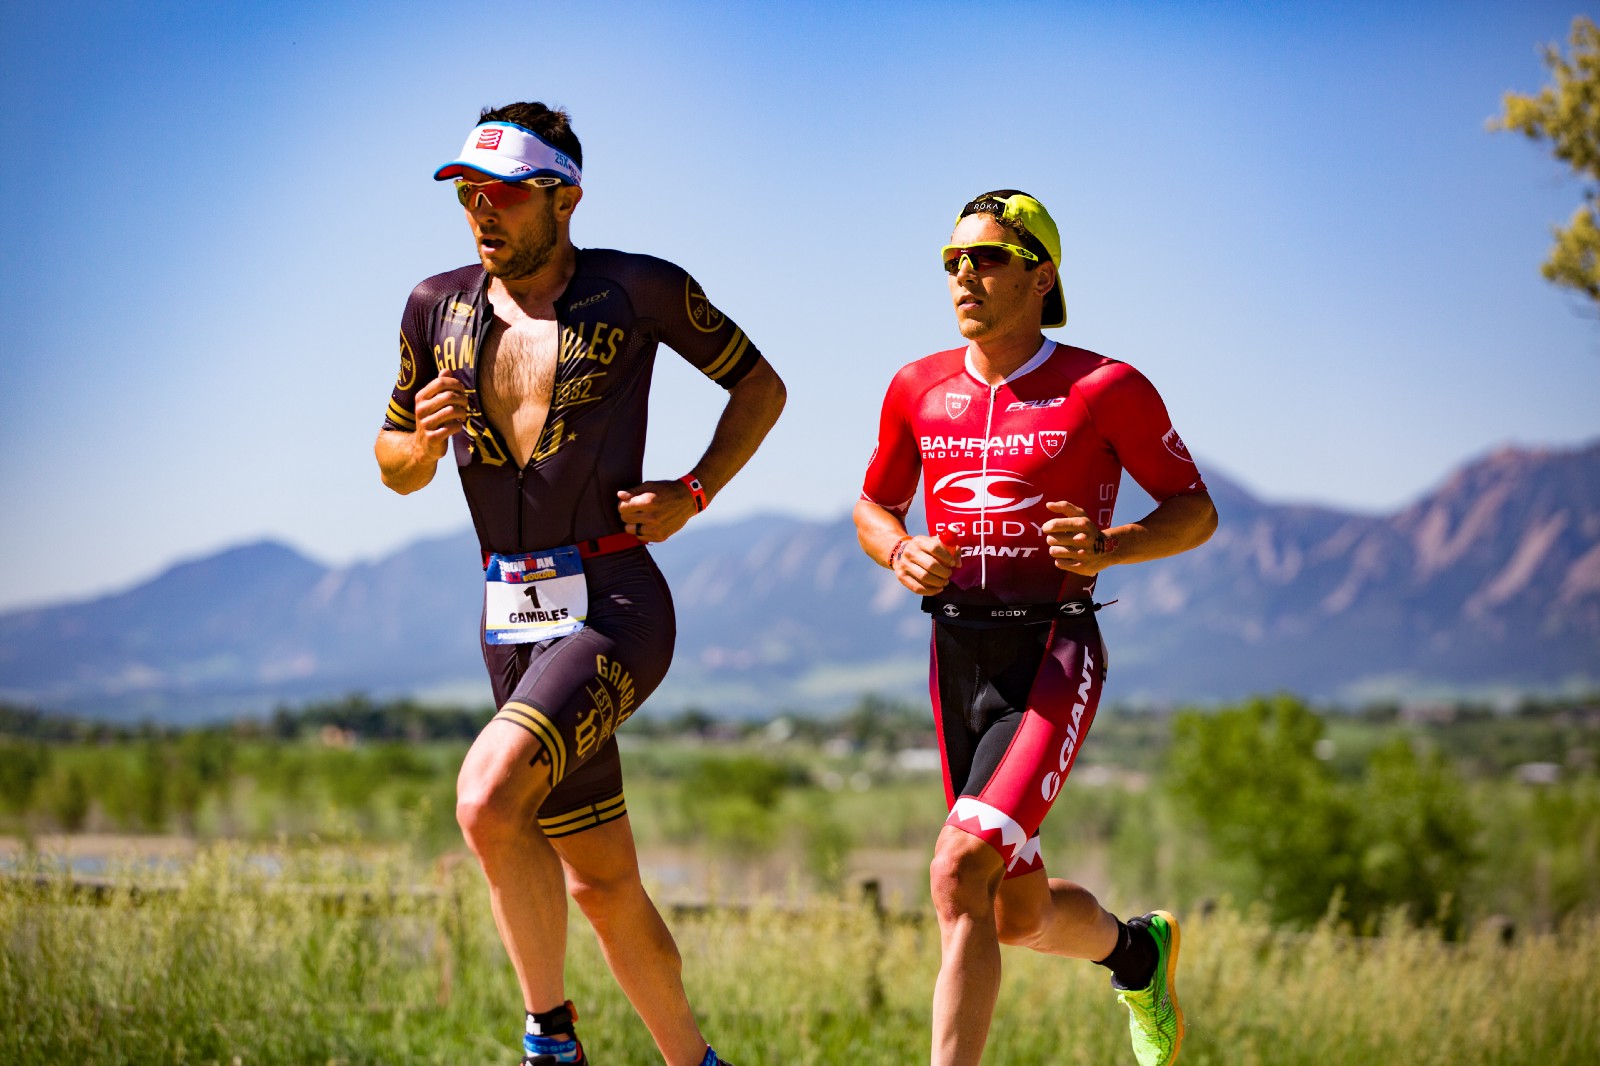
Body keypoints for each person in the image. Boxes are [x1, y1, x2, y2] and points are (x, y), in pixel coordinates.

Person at [375, 102, 784, 1066]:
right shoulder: (433, 307)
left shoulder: (637, 289)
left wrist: (694, 490)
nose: (484, 213)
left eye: (507, 196)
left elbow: (761, 386)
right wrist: (420, 443)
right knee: (601, 885)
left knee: (484, 799)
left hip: (615, 605)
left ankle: (549, 1043)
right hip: (509, 619)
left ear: (564, 199)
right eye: (470, 194)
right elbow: (391, 461)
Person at [853, 190, 1216, 1066]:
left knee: (955, 870)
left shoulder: (1105, 386)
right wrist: (898, 551)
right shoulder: (916, 387)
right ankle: (1138, 953)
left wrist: (1110, 544)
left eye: (985, 258)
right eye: (952, 261)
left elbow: (1195, 511)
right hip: (956, 655)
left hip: (1052, 649)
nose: (964, 276)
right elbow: (872, 505)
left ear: (1040, 273)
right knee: (1012, 911)